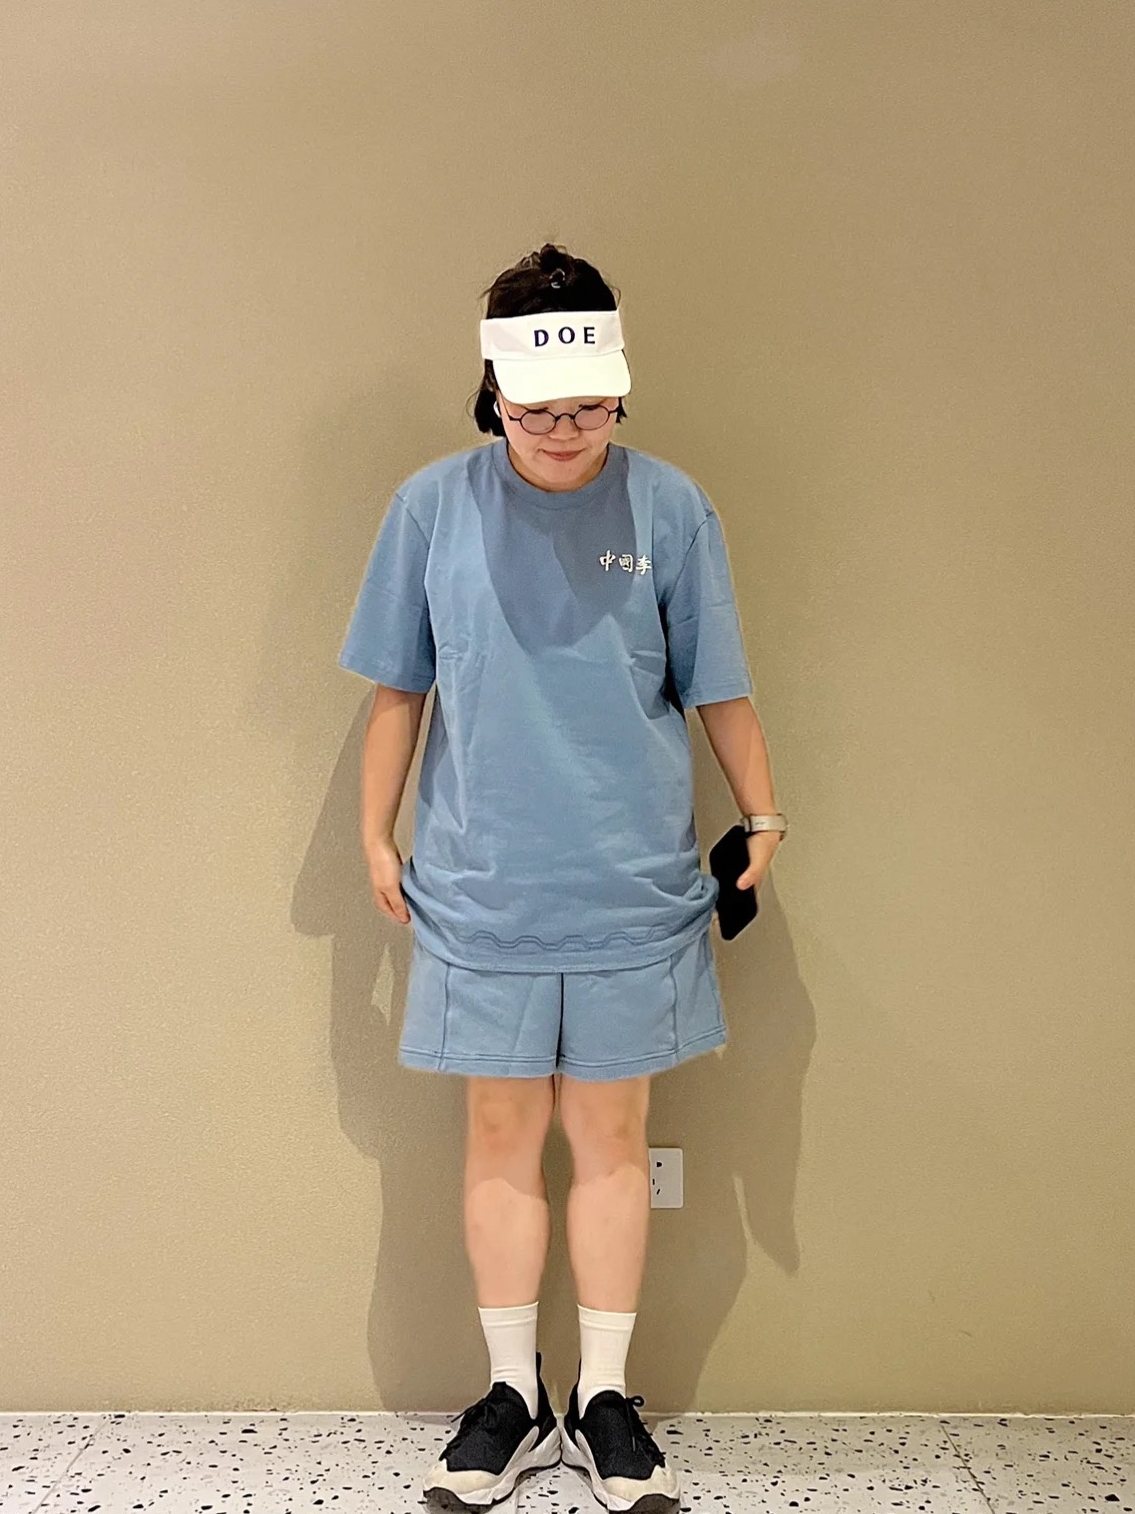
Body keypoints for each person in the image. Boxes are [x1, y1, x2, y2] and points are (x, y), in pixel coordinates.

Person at [338, 243, 785, 1512]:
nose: (565, 431)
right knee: (497, 1131)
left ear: (620, 389)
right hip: (481, 882)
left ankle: (603, 1398)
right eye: (537, 411)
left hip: (632, 883)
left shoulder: (670, 507)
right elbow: (398, 688)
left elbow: (717, 682)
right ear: (493, 393)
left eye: (589, 407)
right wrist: (374, 835)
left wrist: (763, 812)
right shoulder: (431, 507)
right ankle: (509, 1395)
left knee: (612, 1135)